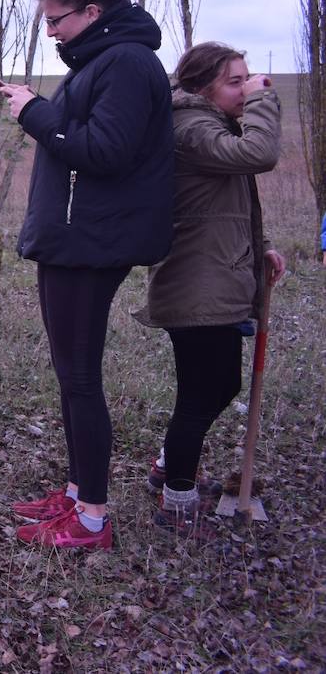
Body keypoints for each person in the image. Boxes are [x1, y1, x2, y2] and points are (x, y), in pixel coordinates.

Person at [0, 0, 174, 550]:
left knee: (80, 377)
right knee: (70, 372)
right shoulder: (101, 63)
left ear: (91, 13)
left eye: (56, 20)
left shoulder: (127, 63)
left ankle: (92, 518)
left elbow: (102, 151)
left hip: (93, 243)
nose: (50, 32)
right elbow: (80, 137)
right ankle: (76, 493)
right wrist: (44, 111)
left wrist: (32, 112)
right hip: (73, 239)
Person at [138, 42, 284, 538]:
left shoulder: (207, 125)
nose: (247, 88)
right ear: (202, 87)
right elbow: (257, 155)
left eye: (248, 78)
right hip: (197, 284)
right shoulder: (191, 128)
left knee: (210, 388)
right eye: (235, 82)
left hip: (216, 276)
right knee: (205, 394)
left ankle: (167, 468)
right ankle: (176, 501)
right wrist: (264, 100)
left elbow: (227, 197)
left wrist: (260, 245)